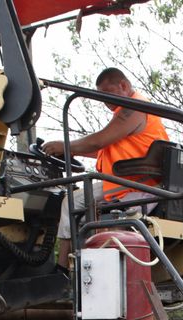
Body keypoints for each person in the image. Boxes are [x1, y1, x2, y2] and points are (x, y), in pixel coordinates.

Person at [46, 67, 169, 267]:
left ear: (123, 85)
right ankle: (79, 263)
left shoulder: (133, 108)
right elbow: (102, 149)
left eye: (108, 93)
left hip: (133, 182)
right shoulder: (133, 110)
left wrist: (65, 145)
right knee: (83, 207)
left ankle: (60, 268)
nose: (105, 100)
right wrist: (73, 151)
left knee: (70, 203)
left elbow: (98, 141)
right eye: (101, 96)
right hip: (128, 180)